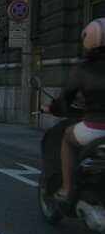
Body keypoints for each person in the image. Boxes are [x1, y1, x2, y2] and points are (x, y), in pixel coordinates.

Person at [41, 18, 105, 202]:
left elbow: (66, 99)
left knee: (67, 137)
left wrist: (51, 108)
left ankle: (66, 188)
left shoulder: (85, 67)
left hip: (95, 127)